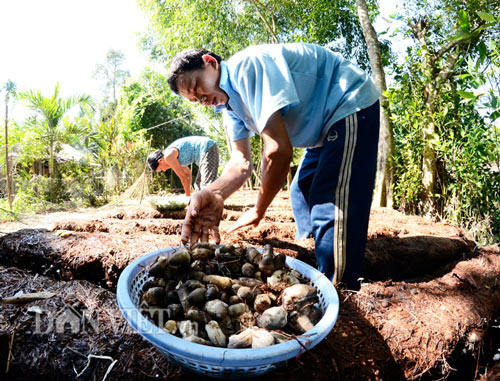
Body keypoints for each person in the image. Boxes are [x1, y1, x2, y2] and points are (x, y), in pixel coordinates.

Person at [167, 43, 380, 290]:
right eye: (195, 100)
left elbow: (278, 150)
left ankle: (339, 288)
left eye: (197, 88)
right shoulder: (229, 107)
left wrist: (259, 209)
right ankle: (315, 251)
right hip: (322, 133)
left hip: (347, 104)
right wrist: (214, 192)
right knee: (302, 189)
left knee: (328, 198)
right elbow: (240, 162)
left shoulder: (247, 67)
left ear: (210, 63)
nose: (203, 100)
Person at [147, 136, 219, 196]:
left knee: (206, 185)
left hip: (207, 148)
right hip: (205, 152)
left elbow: (183, 178)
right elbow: (188, 173)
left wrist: (187, 197)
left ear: (160, 161)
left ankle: (212, 208)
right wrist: (189, 194)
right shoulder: (173, 158)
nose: (164, 170)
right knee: (198, 186)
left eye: (161, 169)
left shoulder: (168, 156)